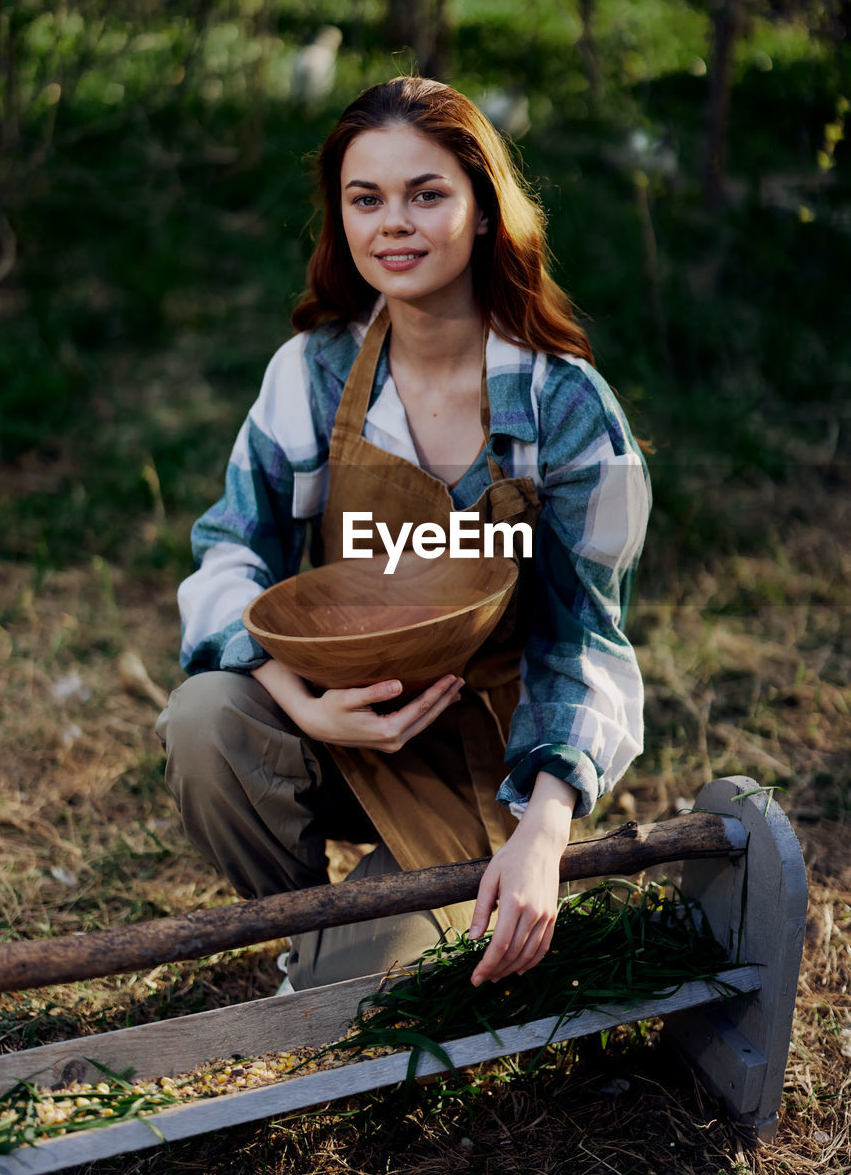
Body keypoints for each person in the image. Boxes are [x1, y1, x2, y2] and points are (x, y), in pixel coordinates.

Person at [157, 77, 651, 994]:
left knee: (367, 989)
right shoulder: (313, 373)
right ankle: (300, 933)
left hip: (496, 760)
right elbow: (229, 550)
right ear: (340, 218)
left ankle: (344, 960)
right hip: (346, 725)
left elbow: (588, 641)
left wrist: (545, 832)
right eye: (366, 198)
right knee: (203, 720)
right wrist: (299, 701)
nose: (395, 224)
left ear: (484, 210)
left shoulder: (568, 408)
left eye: (427, 194)